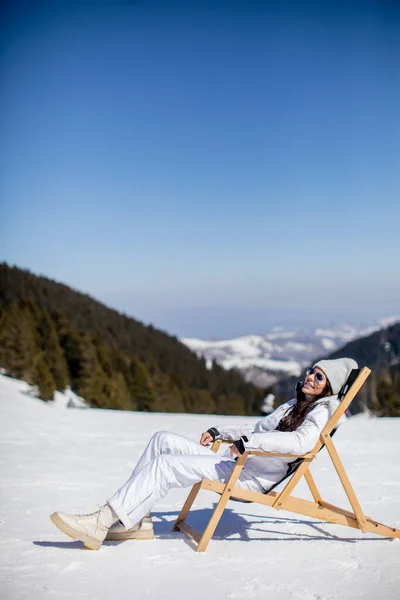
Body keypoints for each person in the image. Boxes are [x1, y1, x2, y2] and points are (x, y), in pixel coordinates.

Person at [50, 357, 357, 550]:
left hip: (248, 477)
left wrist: (251, 444)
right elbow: (257, 428)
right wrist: (219, 431)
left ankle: (103, 520)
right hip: (238, 462)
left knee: (167, 466)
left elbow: (301, 444)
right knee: (162, 440)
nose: (309, 378)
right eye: (311, 372)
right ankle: (137, 521)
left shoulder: (320, 412)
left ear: (329, 389)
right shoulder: (293, 405)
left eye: (319, 377)